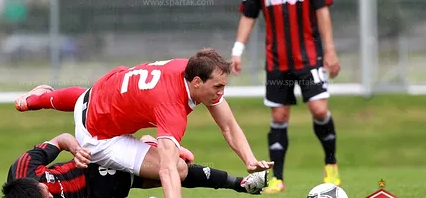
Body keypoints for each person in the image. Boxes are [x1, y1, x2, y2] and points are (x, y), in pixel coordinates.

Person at [14, 48, 274, 198]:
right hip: (97, 139)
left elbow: (228, 125)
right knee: (180, 167)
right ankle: (147, 144)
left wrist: (249, 160)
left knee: (91, 98)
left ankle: (36, 99)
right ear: (197, 82)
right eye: (217, 87)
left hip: (101, 93)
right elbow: (169, 171)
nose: (221, 92)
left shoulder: (190, 68)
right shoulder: (171, 107)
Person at [230, 0, 341, 193]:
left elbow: (322, 13)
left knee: (319, 109)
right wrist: (237, 50)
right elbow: (248, 15)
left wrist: (329, 50)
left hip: (310, 58)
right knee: (279, 116)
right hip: (277, 62)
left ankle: (331, 167)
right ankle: (277, 178)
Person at [2, 132, 268, 198]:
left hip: (97, 165)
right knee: (172, 171)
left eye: (46, 194)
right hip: (102, 193)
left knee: (180, 168)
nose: (51, 195)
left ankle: (240, 184)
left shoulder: (24, 167)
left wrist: (75, 149)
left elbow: (61, 140)